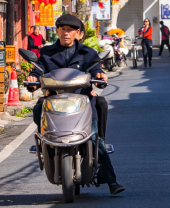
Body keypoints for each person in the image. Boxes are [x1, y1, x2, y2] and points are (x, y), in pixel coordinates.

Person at [28, 14, 124, 195]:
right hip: (54, 101)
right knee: (38, 107)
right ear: (57, 31)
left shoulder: (88, 53)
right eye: (62, 29)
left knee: (96, 140)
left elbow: (96, 69)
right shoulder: (47, 53)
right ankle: (43, 141)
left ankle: (111, 181)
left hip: (82, 103)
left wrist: (100, 76)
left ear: (78, 34)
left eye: (70, 30)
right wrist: (33, 77)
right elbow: (37, 70)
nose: (66, 33)